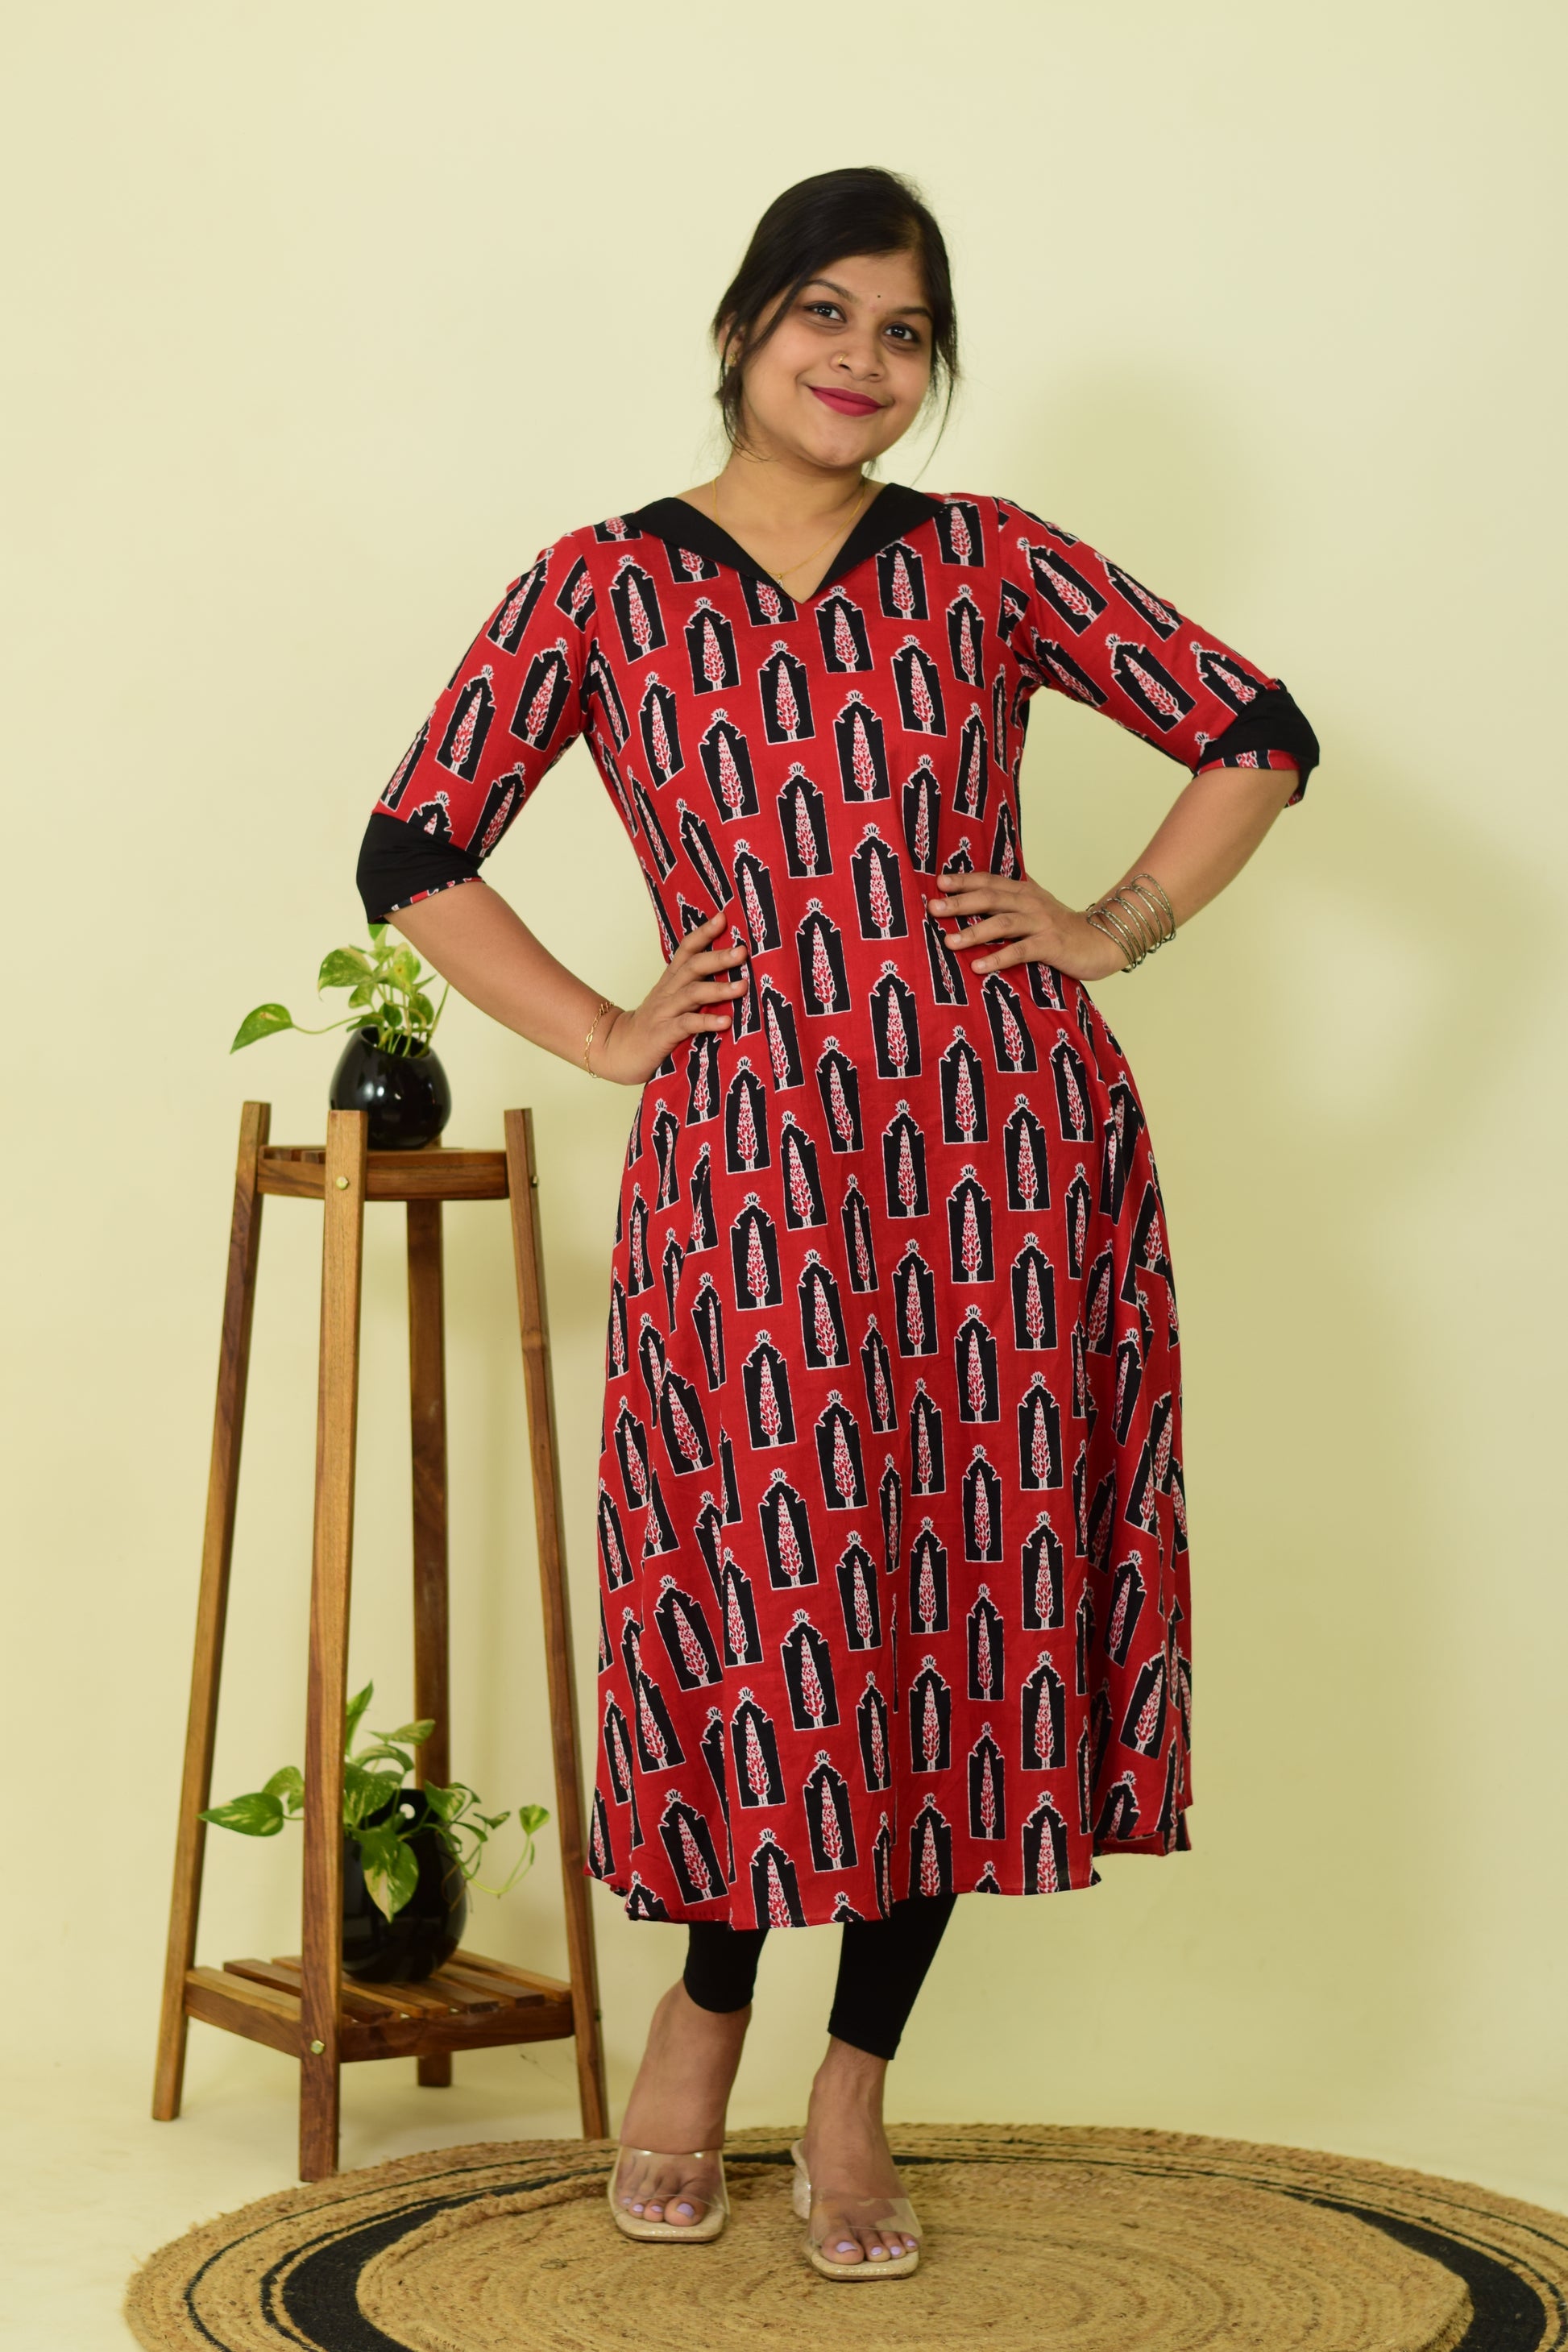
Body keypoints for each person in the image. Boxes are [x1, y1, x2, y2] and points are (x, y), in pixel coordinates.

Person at [356, 166, 1318, 2280]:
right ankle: (705, 2014)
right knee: (758, 1590)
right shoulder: (600, 587)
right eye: (825, 312)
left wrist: (1111, 923)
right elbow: (413, 848)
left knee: (964, 1596)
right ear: (740, 327)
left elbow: (1259, 737)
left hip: (1005, 1157)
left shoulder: (988, 561)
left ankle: (855, 2078)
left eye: (904, 332)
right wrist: (609, 1031)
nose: (862, 361)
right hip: (750, 1171)